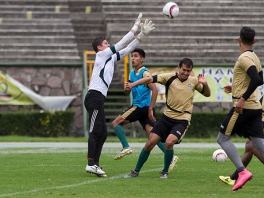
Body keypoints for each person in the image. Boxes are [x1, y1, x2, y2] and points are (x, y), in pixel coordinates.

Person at [216, 27, 264, 194]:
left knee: (222, 138)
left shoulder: (244, 57)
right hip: (256, 108)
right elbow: (260, 79)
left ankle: (242, 172)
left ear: (238, 40)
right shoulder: (255, 57)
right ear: (254, 41)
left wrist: (241, 99)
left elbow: (256, 79)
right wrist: (235, 88)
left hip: (244, 108)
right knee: (259, 143)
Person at [84, 13, 155, 177]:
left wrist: (142, 35)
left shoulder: (108, 58)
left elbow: (128, 49)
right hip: (94, 97)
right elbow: (122, 43)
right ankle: (90, 163)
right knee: (96, 131)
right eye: (105, 43)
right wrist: (134, 29)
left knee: (102, 133)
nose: (108, 44)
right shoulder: (101, 55)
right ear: (100, 48)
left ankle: (95, 164)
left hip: (99, 98)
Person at [123, 58, 211, 179]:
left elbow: (207, 94)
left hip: (182, 119)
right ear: (178, 67)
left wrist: (205, 84)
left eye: (188, 71)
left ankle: (164, 172)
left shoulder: (194, 81)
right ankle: (135, 171)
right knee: (150, 143)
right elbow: (149, 79)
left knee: (169, 142)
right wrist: (133, 84)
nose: (185, 73)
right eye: (184, 70)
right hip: (167, 117)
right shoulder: (168, 77)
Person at [111, 48, 179, 171]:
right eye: (132, 56)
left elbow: (155, 90)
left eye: (136, 56)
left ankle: (126, 147)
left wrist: (151, 108)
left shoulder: (145, 73)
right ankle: (171, 156)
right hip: (143, 108)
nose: (133, 58)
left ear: (142, 59)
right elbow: (128, 93)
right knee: (154, 136)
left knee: (115, 123)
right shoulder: (132, 73)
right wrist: (127, 89)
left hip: (140, 107)